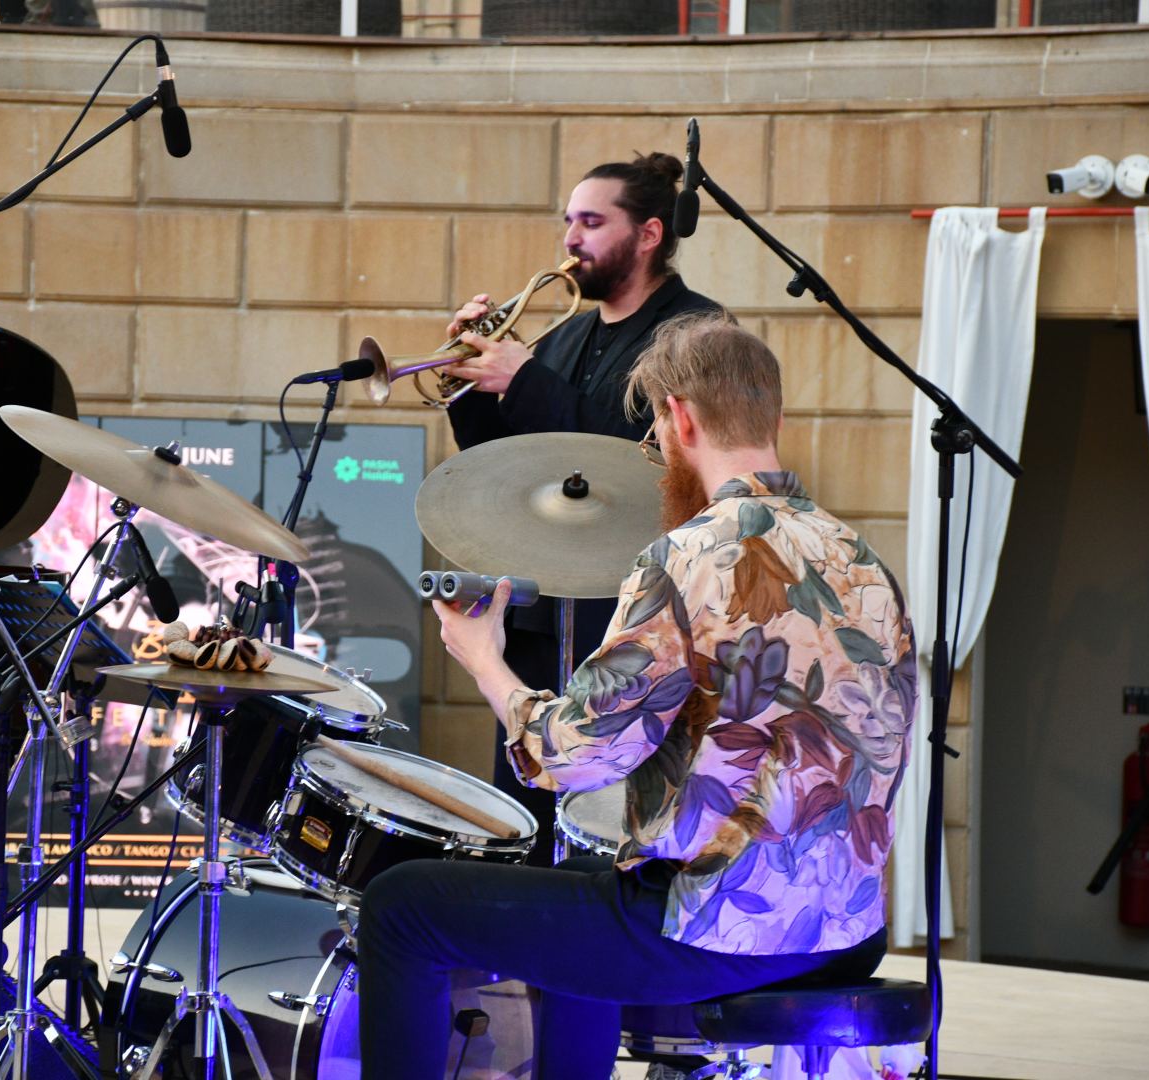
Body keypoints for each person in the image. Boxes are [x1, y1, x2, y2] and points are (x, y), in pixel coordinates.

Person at [360, 313, 917, 1077]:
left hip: (724, 932)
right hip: (849, 926)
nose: (658, 456)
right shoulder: (865, 560)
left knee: (401, 908)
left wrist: (484, 660)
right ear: (774, 419)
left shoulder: (688, 557)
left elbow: (575, 757)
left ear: (678, 418)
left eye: (656, 435)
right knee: (592, 881)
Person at [442, 152, 721, 863]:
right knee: (525, 821)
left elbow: (656, 465)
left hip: (629, 615)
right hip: (545, 608)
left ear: (649, 234)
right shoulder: (563, 337)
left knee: (607, 833)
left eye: (592, 222)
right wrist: (472, 389)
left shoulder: (695, 333)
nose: (571, 238)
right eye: (569, 221)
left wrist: (526, 378)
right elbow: (513, 469)